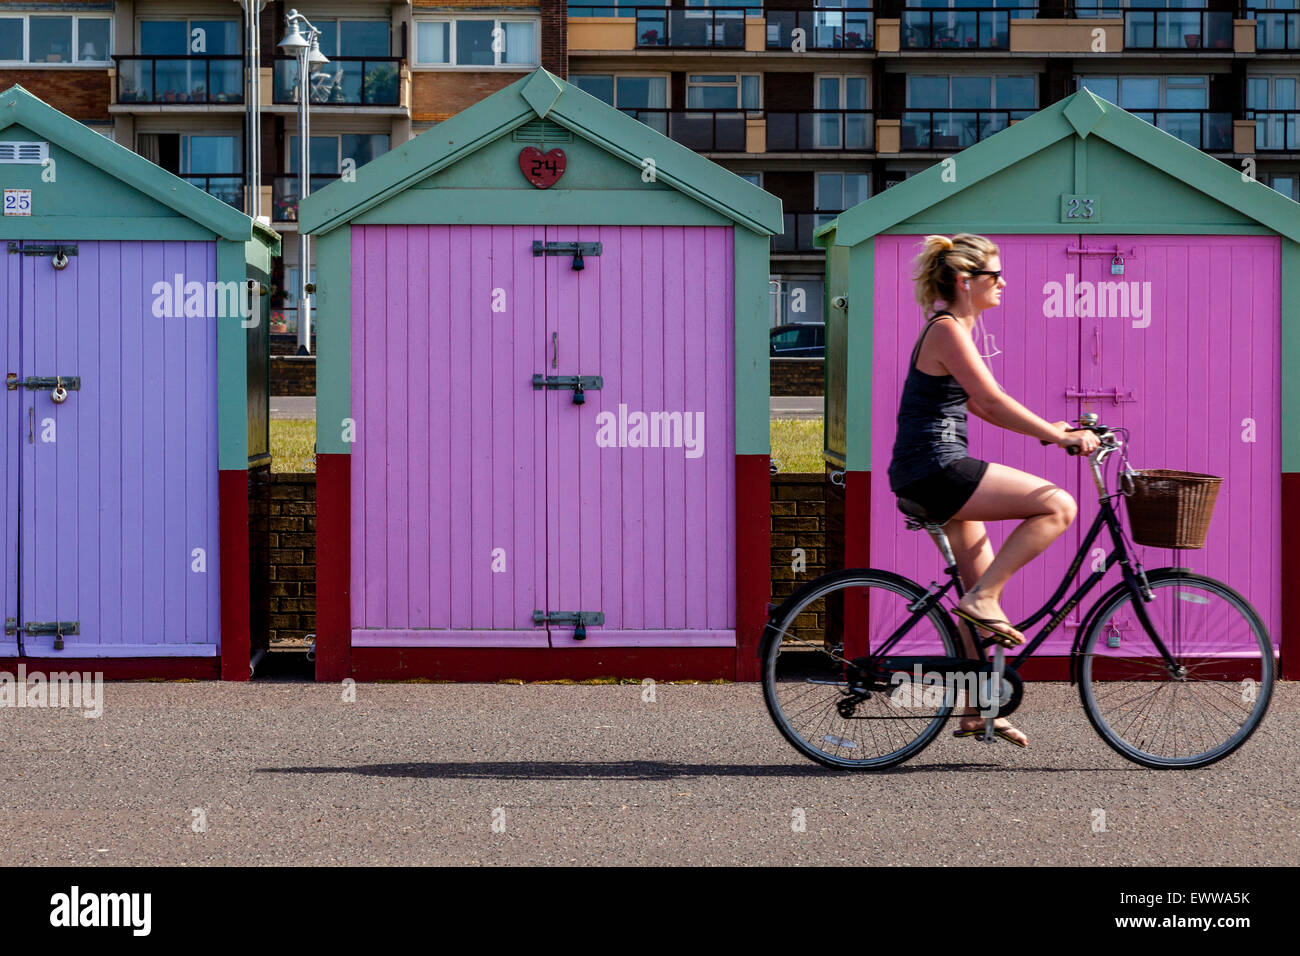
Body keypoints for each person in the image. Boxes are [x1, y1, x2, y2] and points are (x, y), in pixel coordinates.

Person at [887, 234, 1101, 748]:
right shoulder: (946, 329)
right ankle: (983, 599)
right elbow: (992, 399)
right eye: (994, 275)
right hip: (937, 467)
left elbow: (981, 406)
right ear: (966, 281)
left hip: (929, 468)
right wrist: (1060, 436)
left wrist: (1048, 428)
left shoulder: (957, 328)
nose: (1003, 283)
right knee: (1057, 504)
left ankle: (975, 707)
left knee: (973, 589)